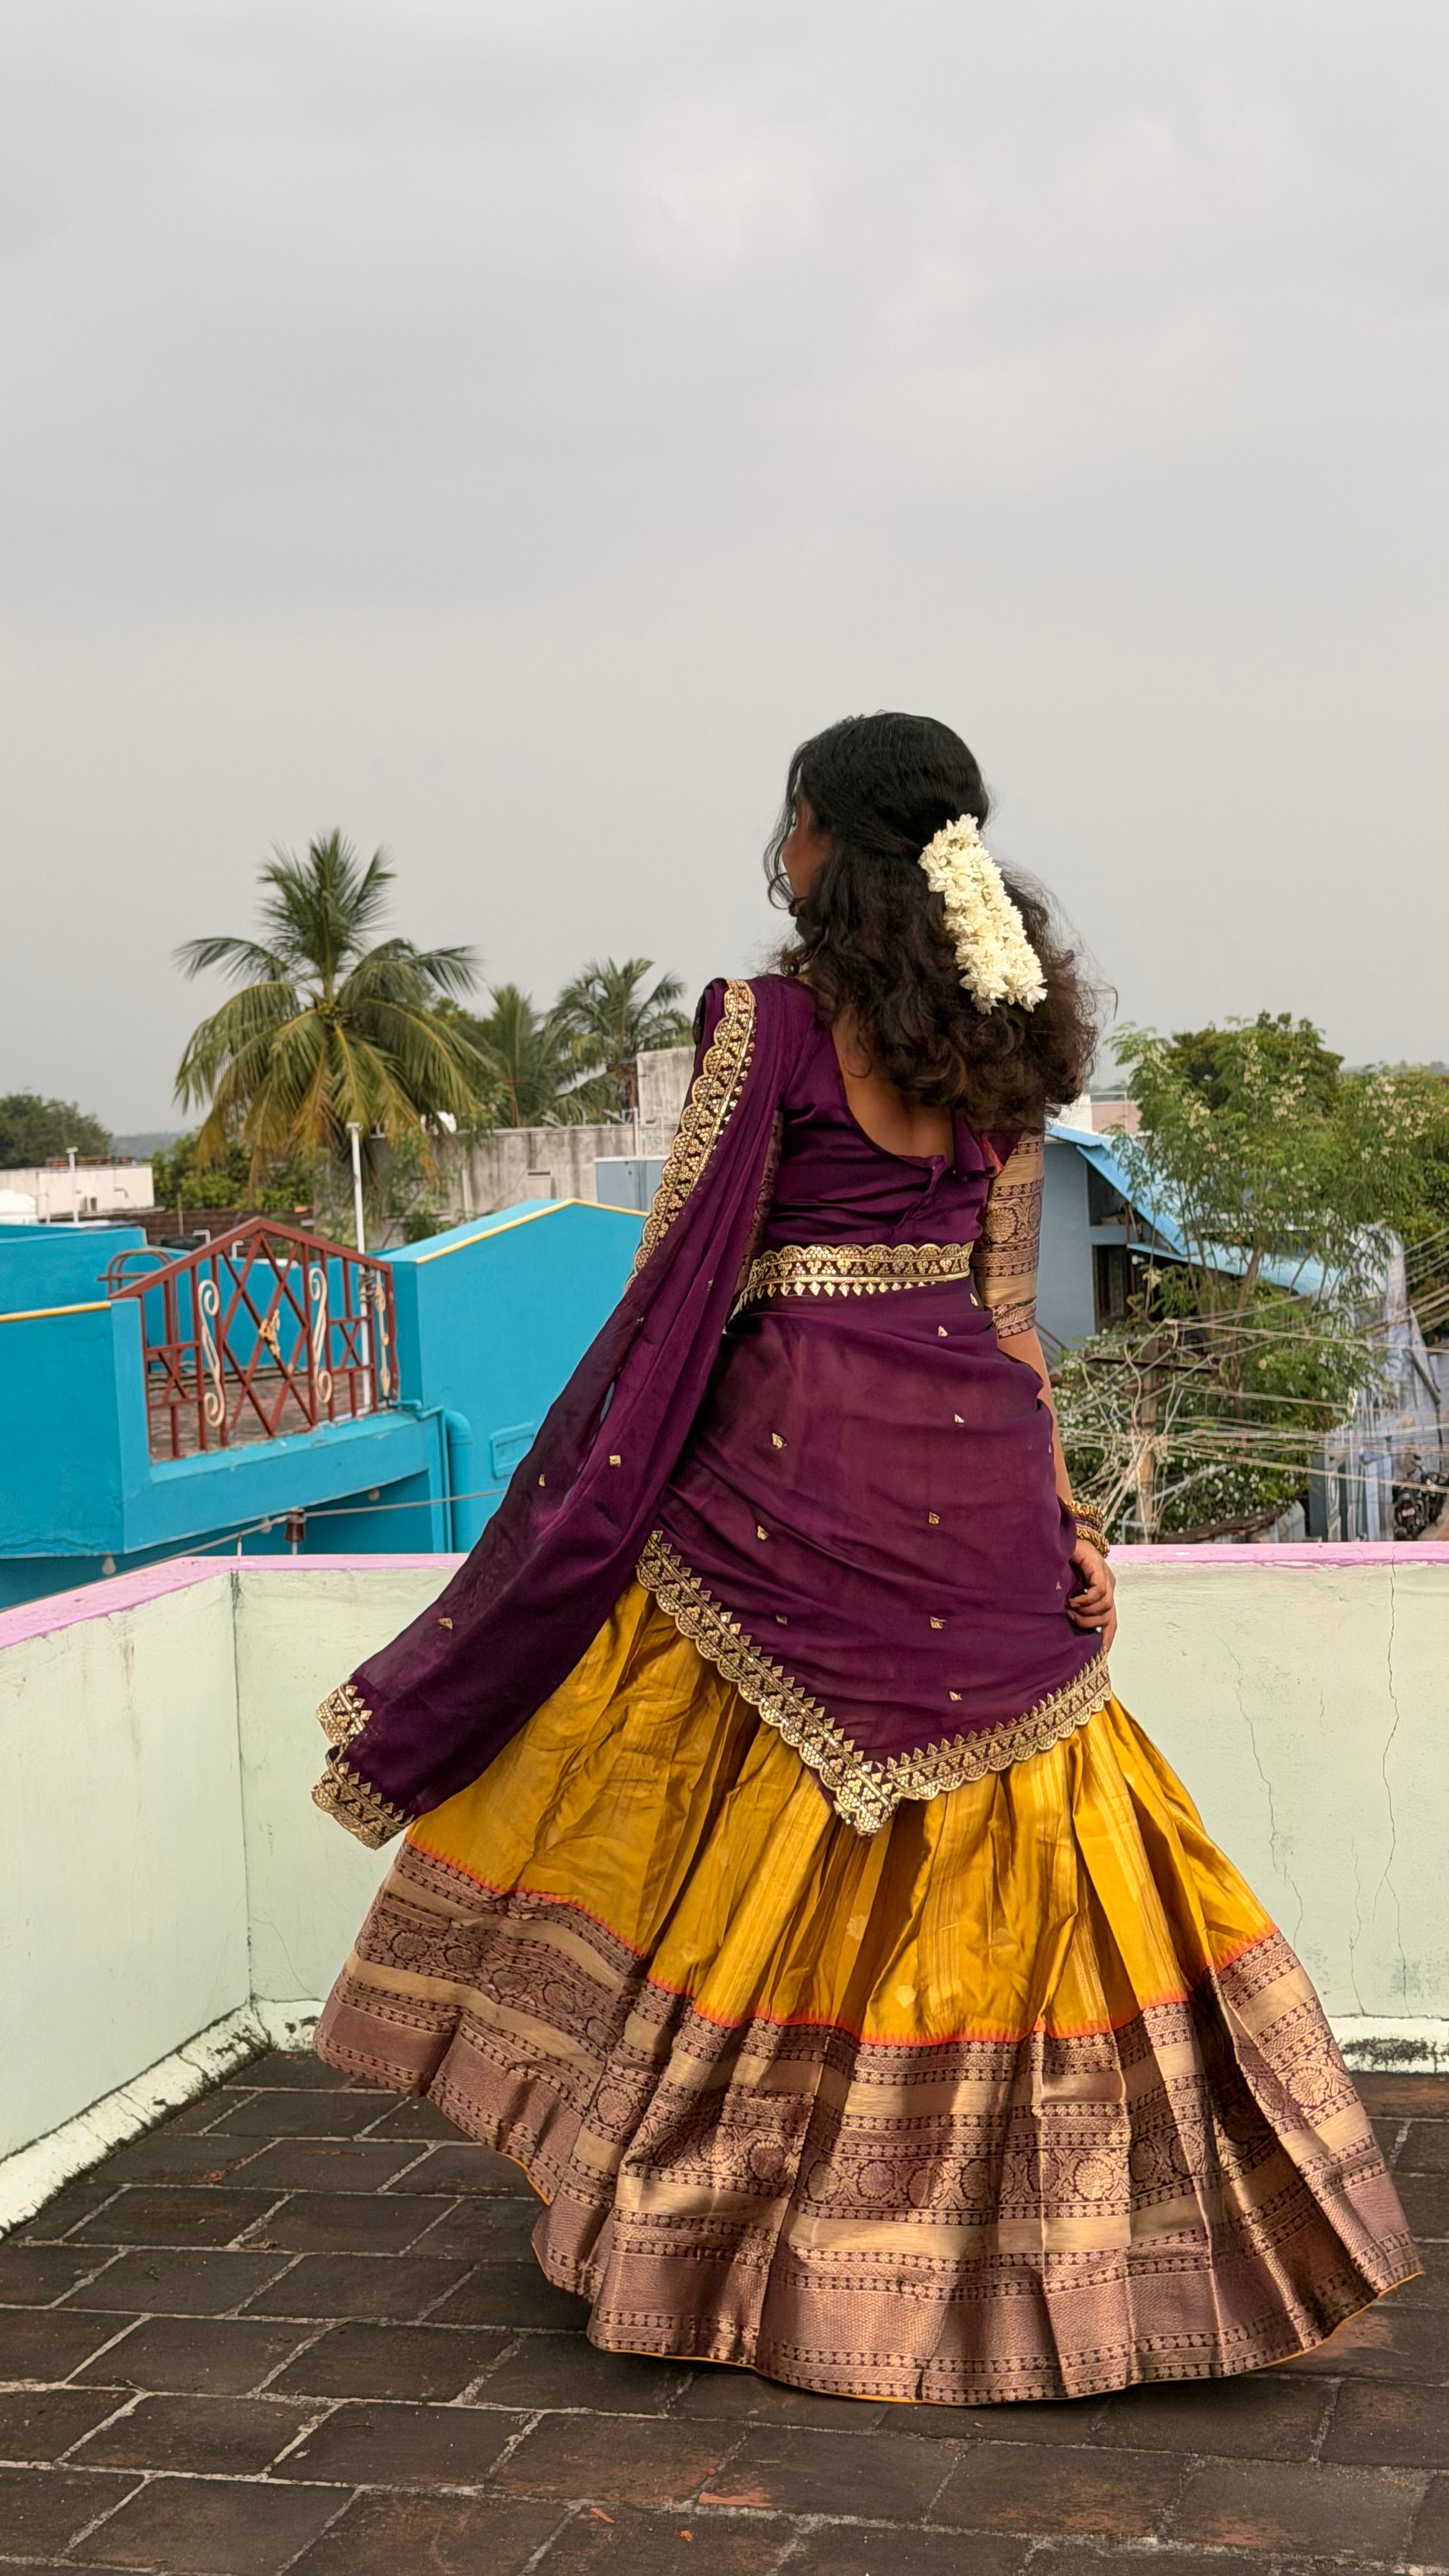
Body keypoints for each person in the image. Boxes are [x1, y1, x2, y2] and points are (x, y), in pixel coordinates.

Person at [312, 710, 1414, 2404]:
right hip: (968, 1469)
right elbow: (1003, 1308)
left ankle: (730, 2221)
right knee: (1034, 1845)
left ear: (818, 839)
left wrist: (604, 1476)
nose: (781, 847)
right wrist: (1061, 1516)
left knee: (741, 1836)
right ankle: (1071, 2233)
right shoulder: (1011, 1032)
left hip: (782, 1473)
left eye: (790, 823)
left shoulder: (762, 1026)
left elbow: (691, 1261)